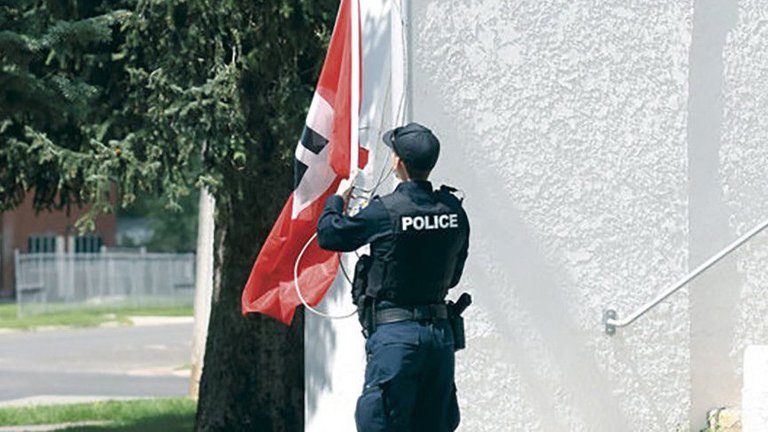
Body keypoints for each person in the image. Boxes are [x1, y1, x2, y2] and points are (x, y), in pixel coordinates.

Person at [316, 122, 470, 431]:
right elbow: (453, 276)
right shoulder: (453, 210)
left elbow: (329, 234)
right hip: (440, 337)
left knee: (382, 423)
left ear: (398, 161)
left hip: (396, 338)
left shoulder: (387, 211)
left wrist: (337, 200)